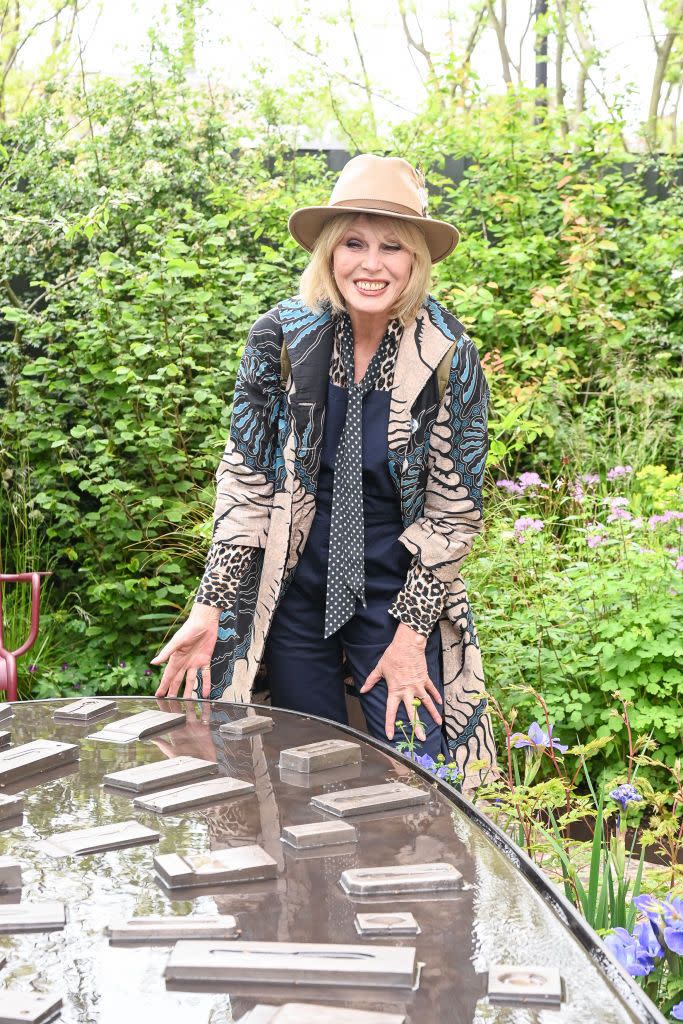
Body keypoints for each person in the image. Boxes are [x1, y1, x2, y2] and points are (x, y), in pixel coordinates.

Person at [152, 154, 496, 792]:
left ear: (416, 260)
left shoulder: (450, 354)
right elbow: (246, 483)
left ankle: (404, 892)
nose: (372, 263)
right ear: (329, 255)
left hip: (400, 601)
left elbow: (455, 512)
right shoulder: (283, 338)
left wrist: (411, 636)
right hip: (296, 600)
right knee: (300, 775)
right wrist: (210, 608)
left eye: (393, 246)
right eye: (354, 244)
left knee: (415, 779)